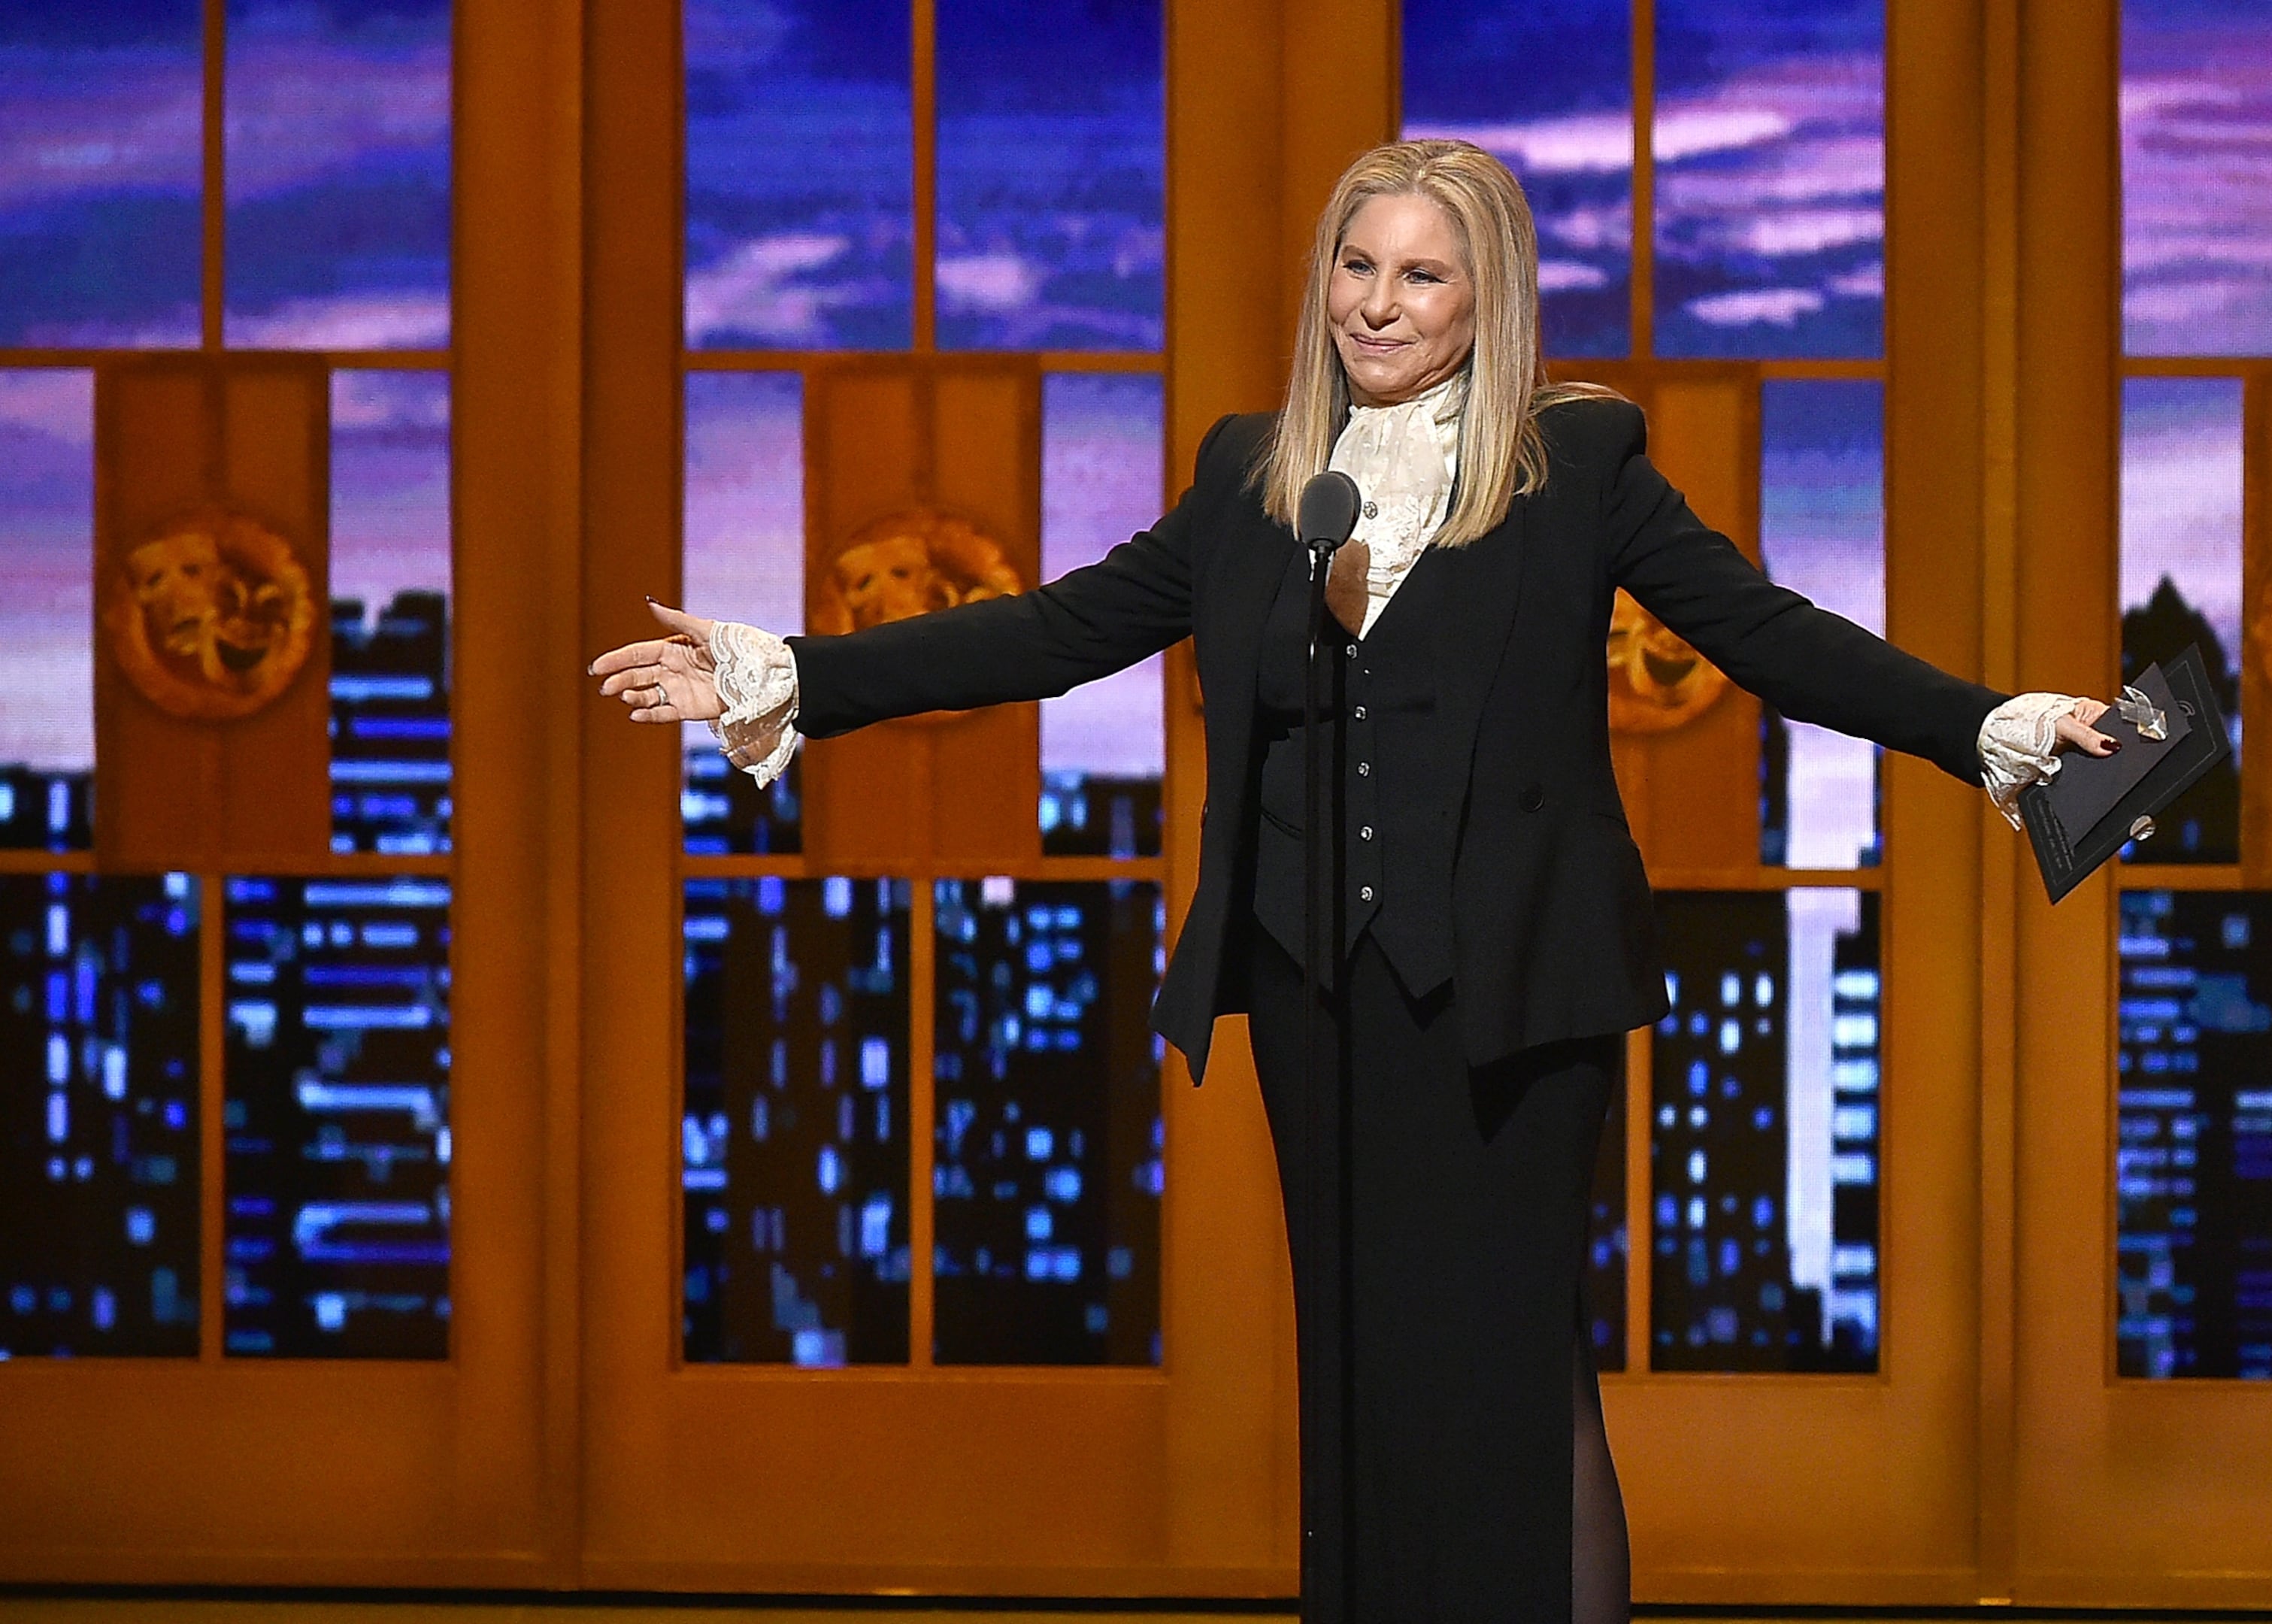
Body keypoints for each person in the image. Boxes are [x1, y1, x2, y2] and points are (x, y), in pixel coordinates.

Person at [593, 139, 2112, 1624]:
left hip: (1512, 995)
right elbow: (1057, 630)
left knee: (1511, 1373)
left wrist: (1989, 724)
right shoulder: (1253, 476)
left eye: (1423, 276)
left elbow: (1767, 634)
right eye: (1357, 265)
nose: (1378, 305)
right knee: (1361, 1373)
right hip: (1317, 991)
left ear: (1488, 298)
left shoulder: (1575, 466)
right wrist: (789, 673)